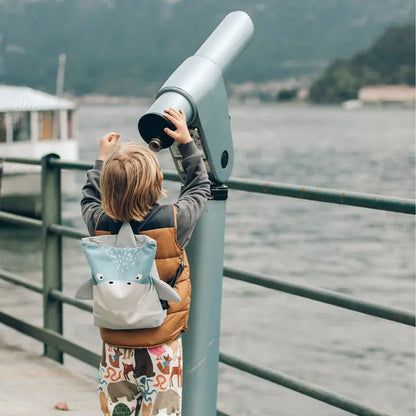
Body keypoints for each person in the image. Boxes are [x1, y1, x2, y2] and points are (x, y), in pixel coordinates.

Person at [80, 108, 210, 416]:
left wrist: (102, 161)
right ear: (160, 181)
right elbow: (199, 186)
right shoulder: (174, 221)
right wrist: (185, 143)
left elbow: (88, 198)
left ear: (108, 188)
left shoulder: (98, 223)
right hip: (161, 345)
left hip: (116, 348)